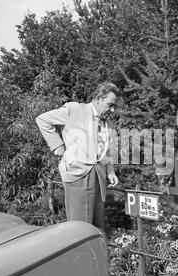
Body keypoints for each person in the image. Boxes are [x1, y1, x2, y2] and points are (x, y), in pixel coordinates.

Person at [36, 82, 120, 232]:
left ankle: (94, 255)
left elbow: (106, 151)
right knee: (79, 227)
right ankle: (80, 255)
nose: (112, 110)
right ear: (99, 98)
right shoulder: (74, 109)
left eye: (114, 106)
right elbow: (43, 120)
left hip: (99, 178)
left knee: (97, 227)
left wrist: (110, 171)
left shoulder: (110, 124)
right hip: (78, 174)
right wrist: (58, 147)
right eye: (110, 104)